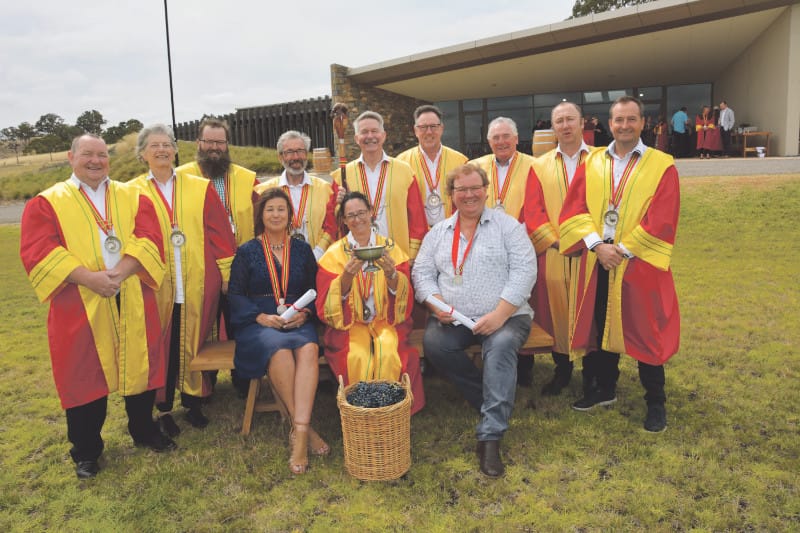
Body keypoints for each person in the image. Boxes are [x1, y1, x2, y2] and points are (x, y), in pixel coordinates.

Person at [20, 134, 173, 479]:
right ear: (71, 157)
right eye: (87, 154)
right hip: (79, 299)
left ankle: (145, 431)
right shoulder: (48, 202)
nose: (95, 161)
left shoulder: (132, 195)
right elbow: (40, 251)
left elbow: (149, 238)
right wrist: (90, 279)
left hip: (130, 292)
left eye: (102, 155)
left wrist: (118, 274)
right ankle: (86, 451)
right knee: (83, 374)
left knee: (140, 365)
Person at [559, 96, 680, 433]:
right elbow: (575, 209)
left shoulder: (662, 165)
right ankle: (604, 389)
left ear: (643, 123)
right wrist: (598, 246)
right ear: (608, 124)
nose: (624, 126)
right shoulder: (593, 161)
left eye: (631, 119)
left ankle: (655, 401)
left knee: (645, 330)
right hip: (599, 257)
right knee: (600, 323)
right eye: (618, 120)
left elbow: (663, 219)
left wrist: (621, 250)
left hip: (638, 261)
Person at [412, 163, 536, 477]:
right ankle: (489, 399)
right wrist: (434, 302)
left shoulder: (509, 227)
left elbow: (525, 271)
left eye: (474, 188)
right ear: (451, 195)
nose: (469, 195)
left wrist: (500, 314)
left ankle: (490, 436)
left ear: (486, 190)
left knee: (501, 347)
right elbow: (422, 274)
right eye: (461, 189)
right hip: (455, 319)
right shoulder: (439, 233)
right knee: (435, 344)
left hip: (507, 316)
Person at [130, 124, 236, 433]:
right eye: (154, 146)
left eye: (167, 144)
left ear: (176, 150)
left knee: (197, 341)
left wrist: (227, 274)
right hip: (154, 283)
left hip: (199, 280)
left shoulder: (199, 186)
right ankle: (162, 408)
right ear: (142, 154)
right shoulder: (130, 191)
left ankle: (193, 402)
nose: (162, 150)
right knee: (162, 344)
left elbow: (221, 233)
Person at [228, 188, 328, 474]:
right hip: (259, 323)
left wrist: (306, 313)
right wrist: (260, 316)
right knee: (280, 351)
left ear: (289, 215)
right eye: (270, 209)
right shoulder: (247, 251)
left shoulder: (301, 249)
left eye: (281, 209)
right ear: (262, 215)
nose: (276, 214)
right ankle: (304, 433)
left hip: (297, 318)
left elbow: (315, 289)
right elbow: (235, 294)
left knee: (309, 348)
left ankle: (299, 429)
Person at [316, 191, 425, 414]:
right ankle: (360, 413)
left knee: (388, 352)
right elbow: (327, 303)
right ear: (344, 220)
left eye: (361, 213)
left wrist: (392, 275)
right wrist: (345, 277)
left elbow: (405, 298)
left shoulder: (392, 249)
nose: (357, 220)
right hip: (350, 324)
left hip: (385, 321)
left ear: (371, 213)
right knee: (357, 355)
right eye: (351, 216)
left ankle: (392, 412)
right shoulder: (334, 255)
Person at [524, 102, 593, 396]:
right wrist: (557, 242)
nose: (565, 126)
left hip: (591, 252)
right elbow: (533, 211)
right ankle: (562, 370)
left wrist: (588, 241)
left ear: (581, 124)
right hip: (553, 253)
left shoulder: (601, 160)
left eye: (570, 120)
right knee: (556, 313)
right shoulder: (538, 166)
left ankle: (594, 375)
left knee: (590, 311)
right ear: (552, 128)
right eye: (559, 121)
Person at [468, 117, 537, 386]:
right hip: (485, 246)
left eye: (506, 136)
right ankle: (488, 358)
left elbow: (537, 204)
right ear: (488, 141)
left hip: (520, 245)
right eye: (496, 138)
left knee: (520, 301)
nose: (501, 142)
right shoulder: (476, 167)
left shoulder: (533, 166)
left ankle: (525, 364)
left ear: (517, 139)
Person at [331, 111, 427, 261]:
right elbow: (337, 222)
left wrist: (412, 257)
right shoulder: (342, 176)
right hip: (358, 258)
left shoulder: (405, 171)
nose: (370, 136)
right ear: (357, 139)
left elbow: (417, 219)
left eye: (374, 131)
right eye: (364, 132)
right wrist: (340, 205)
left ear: (383, 136)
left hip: (398, 257)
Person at [255, 130, 340, 261]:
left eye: (300, 151)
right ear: (280, 157)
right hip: (278, 261)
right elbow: (259, 228)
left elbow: (332, 224)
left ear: (306, 154)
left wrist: (319, 251)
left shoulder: (326, 189)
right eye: (289, 152)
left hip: (319, 258)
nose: (296, 157)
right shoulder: (263, 191)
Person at [396, 104, 468, 228]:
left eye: (433, 126)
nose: (429, 132)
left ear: (441, 128)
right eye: (423, 127)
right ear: (415, 131)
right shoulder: (401, 162)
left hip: (453, 231)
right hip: (418, 235)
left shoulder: (461, 161)